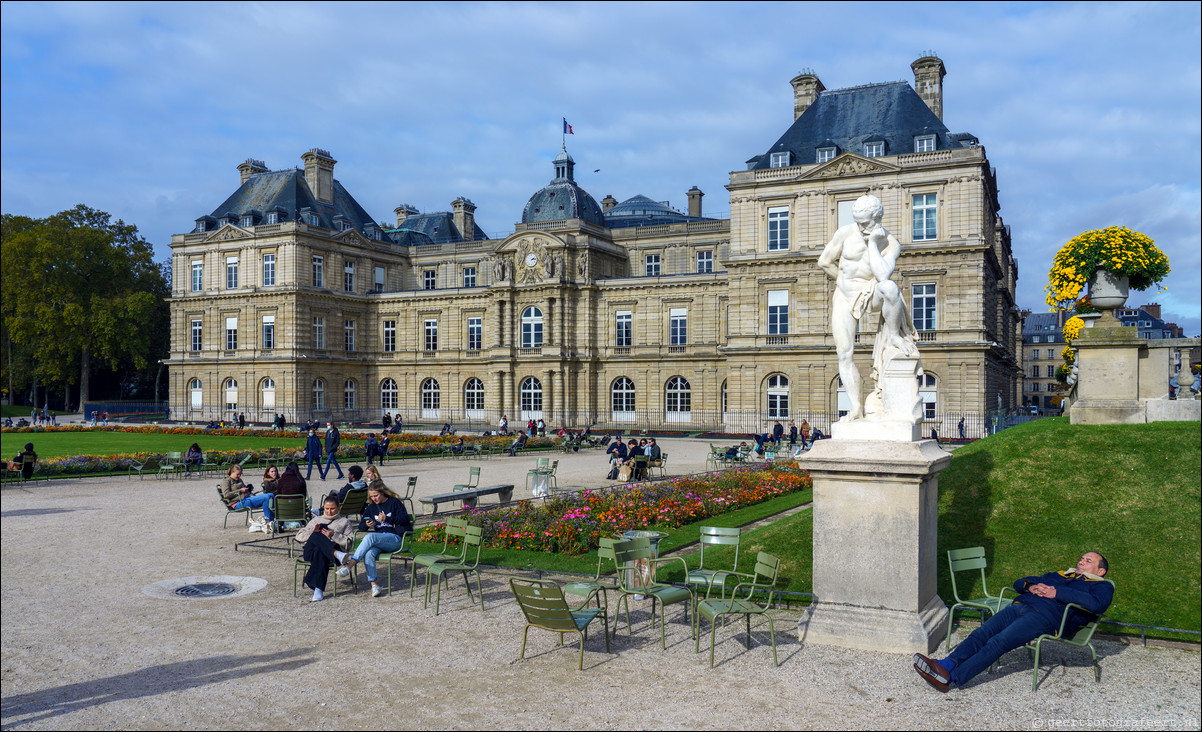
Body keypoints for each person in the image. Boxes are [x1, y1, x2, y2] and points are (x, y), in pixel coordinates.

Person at [913, 552, 1114, 693]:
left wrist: (1057, 592)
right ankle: (945, 665)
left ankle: (953, 678)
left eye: (1088, 561)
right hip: (1020, 605)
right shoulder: (1060, 574)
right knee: (980, 633)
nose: (1081, 562)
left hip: (1045, 618)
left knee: (998, 642)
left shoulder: (1101, 586)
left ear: (1100, 571)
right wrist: (1032, 587)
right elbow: (1020, 582)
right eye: (1081, 558)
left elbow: (1096, 605)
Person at [818, 194, 918, 422]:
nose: (860, 227)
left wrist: (873, 242)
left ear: (878, 217)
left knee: (890, 288)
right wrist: (844, 283)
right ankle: (855, 408)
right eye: (857, 221)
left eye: (865, 223)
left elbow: (883, 274)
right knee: (844, 352)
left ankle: (893, 336)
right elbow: (824, 261)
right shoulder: (845, 233)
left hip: (871, 292)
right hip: (844, 295)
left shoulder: (890, 243)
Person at [337, 484, 413, 598]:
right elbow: (362, 526)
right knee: (369, 553)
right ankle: (374, 585)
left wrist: (387, 519)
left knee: (370, 537)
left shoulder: (394, 502)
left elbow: (404, 519)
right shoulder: (371, 507)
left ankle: (349, 566)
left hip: (395, 539)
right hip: (380, 540)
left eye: (376, 496)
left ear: (382, 493)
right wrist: (367, 525)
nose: (374, 499)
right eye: (371, 496)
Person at [297, 495, 356, 602]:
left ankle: (318, 589)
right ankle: (336, 553)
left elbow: (349, 542)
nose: (329, 511)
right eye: (326, 508)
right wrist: (312, 532)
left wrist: (334, 535)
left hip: (325, 555)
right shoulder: (316, 520)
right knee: (316, 535)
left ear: (338, 507)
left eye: (332, 508)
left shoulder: (344, 522)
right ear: (323, 508)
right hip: (310, 552)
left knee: (320, 551)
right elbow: (299, 536)